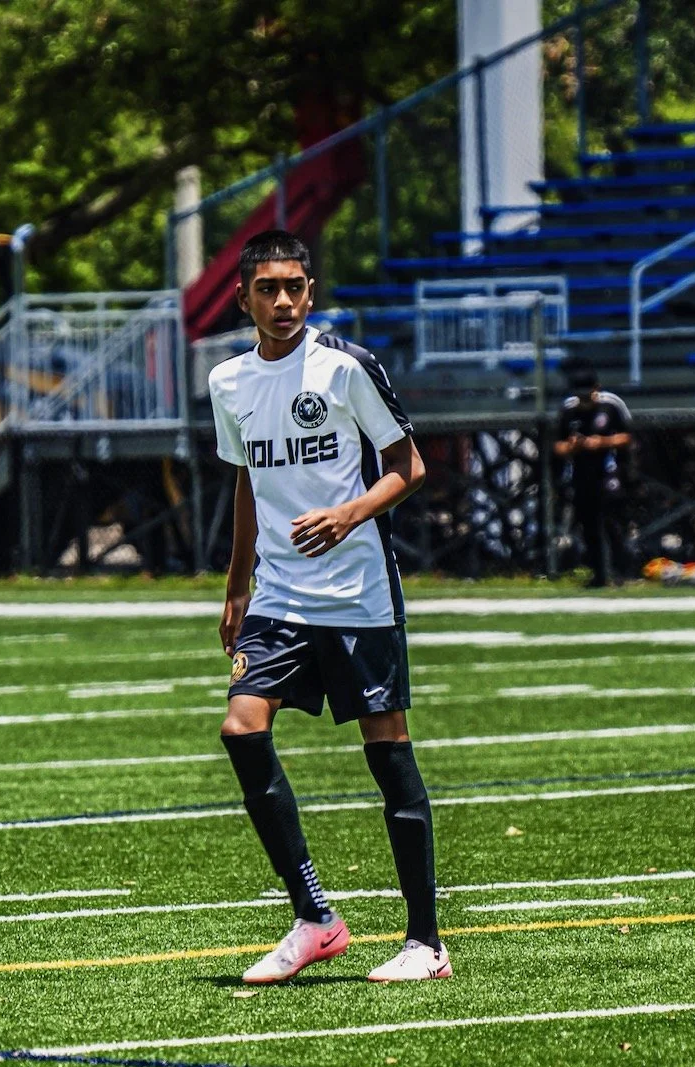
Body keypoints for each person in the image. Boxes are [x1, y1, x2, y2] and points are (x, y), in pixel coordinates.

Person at [209, 229, 450, 985]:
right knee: (241, 730)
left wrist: (349, 514)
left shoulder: (346, 367)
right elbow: (247, 479)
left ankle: (426, 943)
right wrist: (237, 582)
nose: (282, 301)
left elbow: (409, 466)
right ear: (243, 297)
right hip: (279, 594)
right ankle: (314, 917)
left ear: (310, 293)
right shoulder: (229, 383)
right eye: (266, 289)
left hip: (357, 597)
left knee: (386, 751)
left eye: (294, 288)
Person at [555, 367, 633, 588]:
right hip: (580, 475)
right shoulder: (568, 409)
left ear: (596, 389)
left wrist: (601, 442)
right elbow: (557, 446)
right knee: (588, 526)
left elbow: (628, 436)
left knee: (612, 523)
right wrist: (571, 446)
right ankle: (598, 574)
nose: (583, 400)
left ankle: (622, 571)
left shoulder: (611, 404)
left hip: (608, 472)